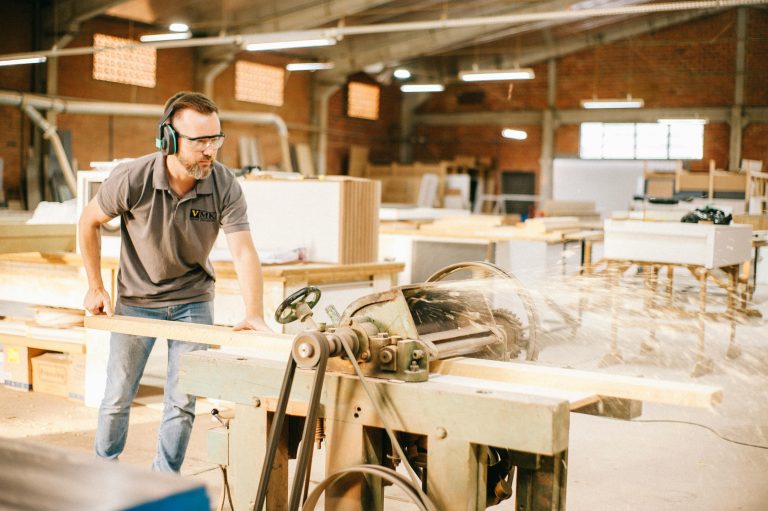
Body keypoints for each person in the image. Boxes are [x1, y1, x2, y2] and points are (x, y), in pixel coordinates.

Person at [79, 91, 270, 473]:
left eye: (215, 139)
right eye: (199, 140)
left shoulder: (224, 185)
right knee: (118, 395)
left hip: (193, 300)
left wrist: (254, 313)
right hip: (136, 299)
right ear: (168, 138)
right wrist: (96, 285)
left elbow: (244, 251)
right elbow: (88, 222)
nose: (209, 150)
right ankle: (103, 470)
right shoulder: (133, 178)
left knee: (182, 400)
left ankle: (164, 481)